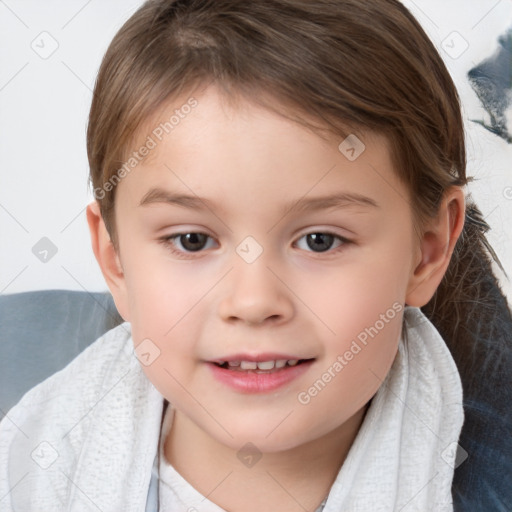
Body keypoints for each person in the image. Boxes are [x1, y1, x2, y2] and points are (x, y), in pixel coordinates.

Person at [1, 1, 511, 510]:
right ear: (116, 260)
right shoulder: (27, 468)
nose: (252, 301)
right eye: (192, 240)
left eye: (320, 240)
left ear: (428, 251)